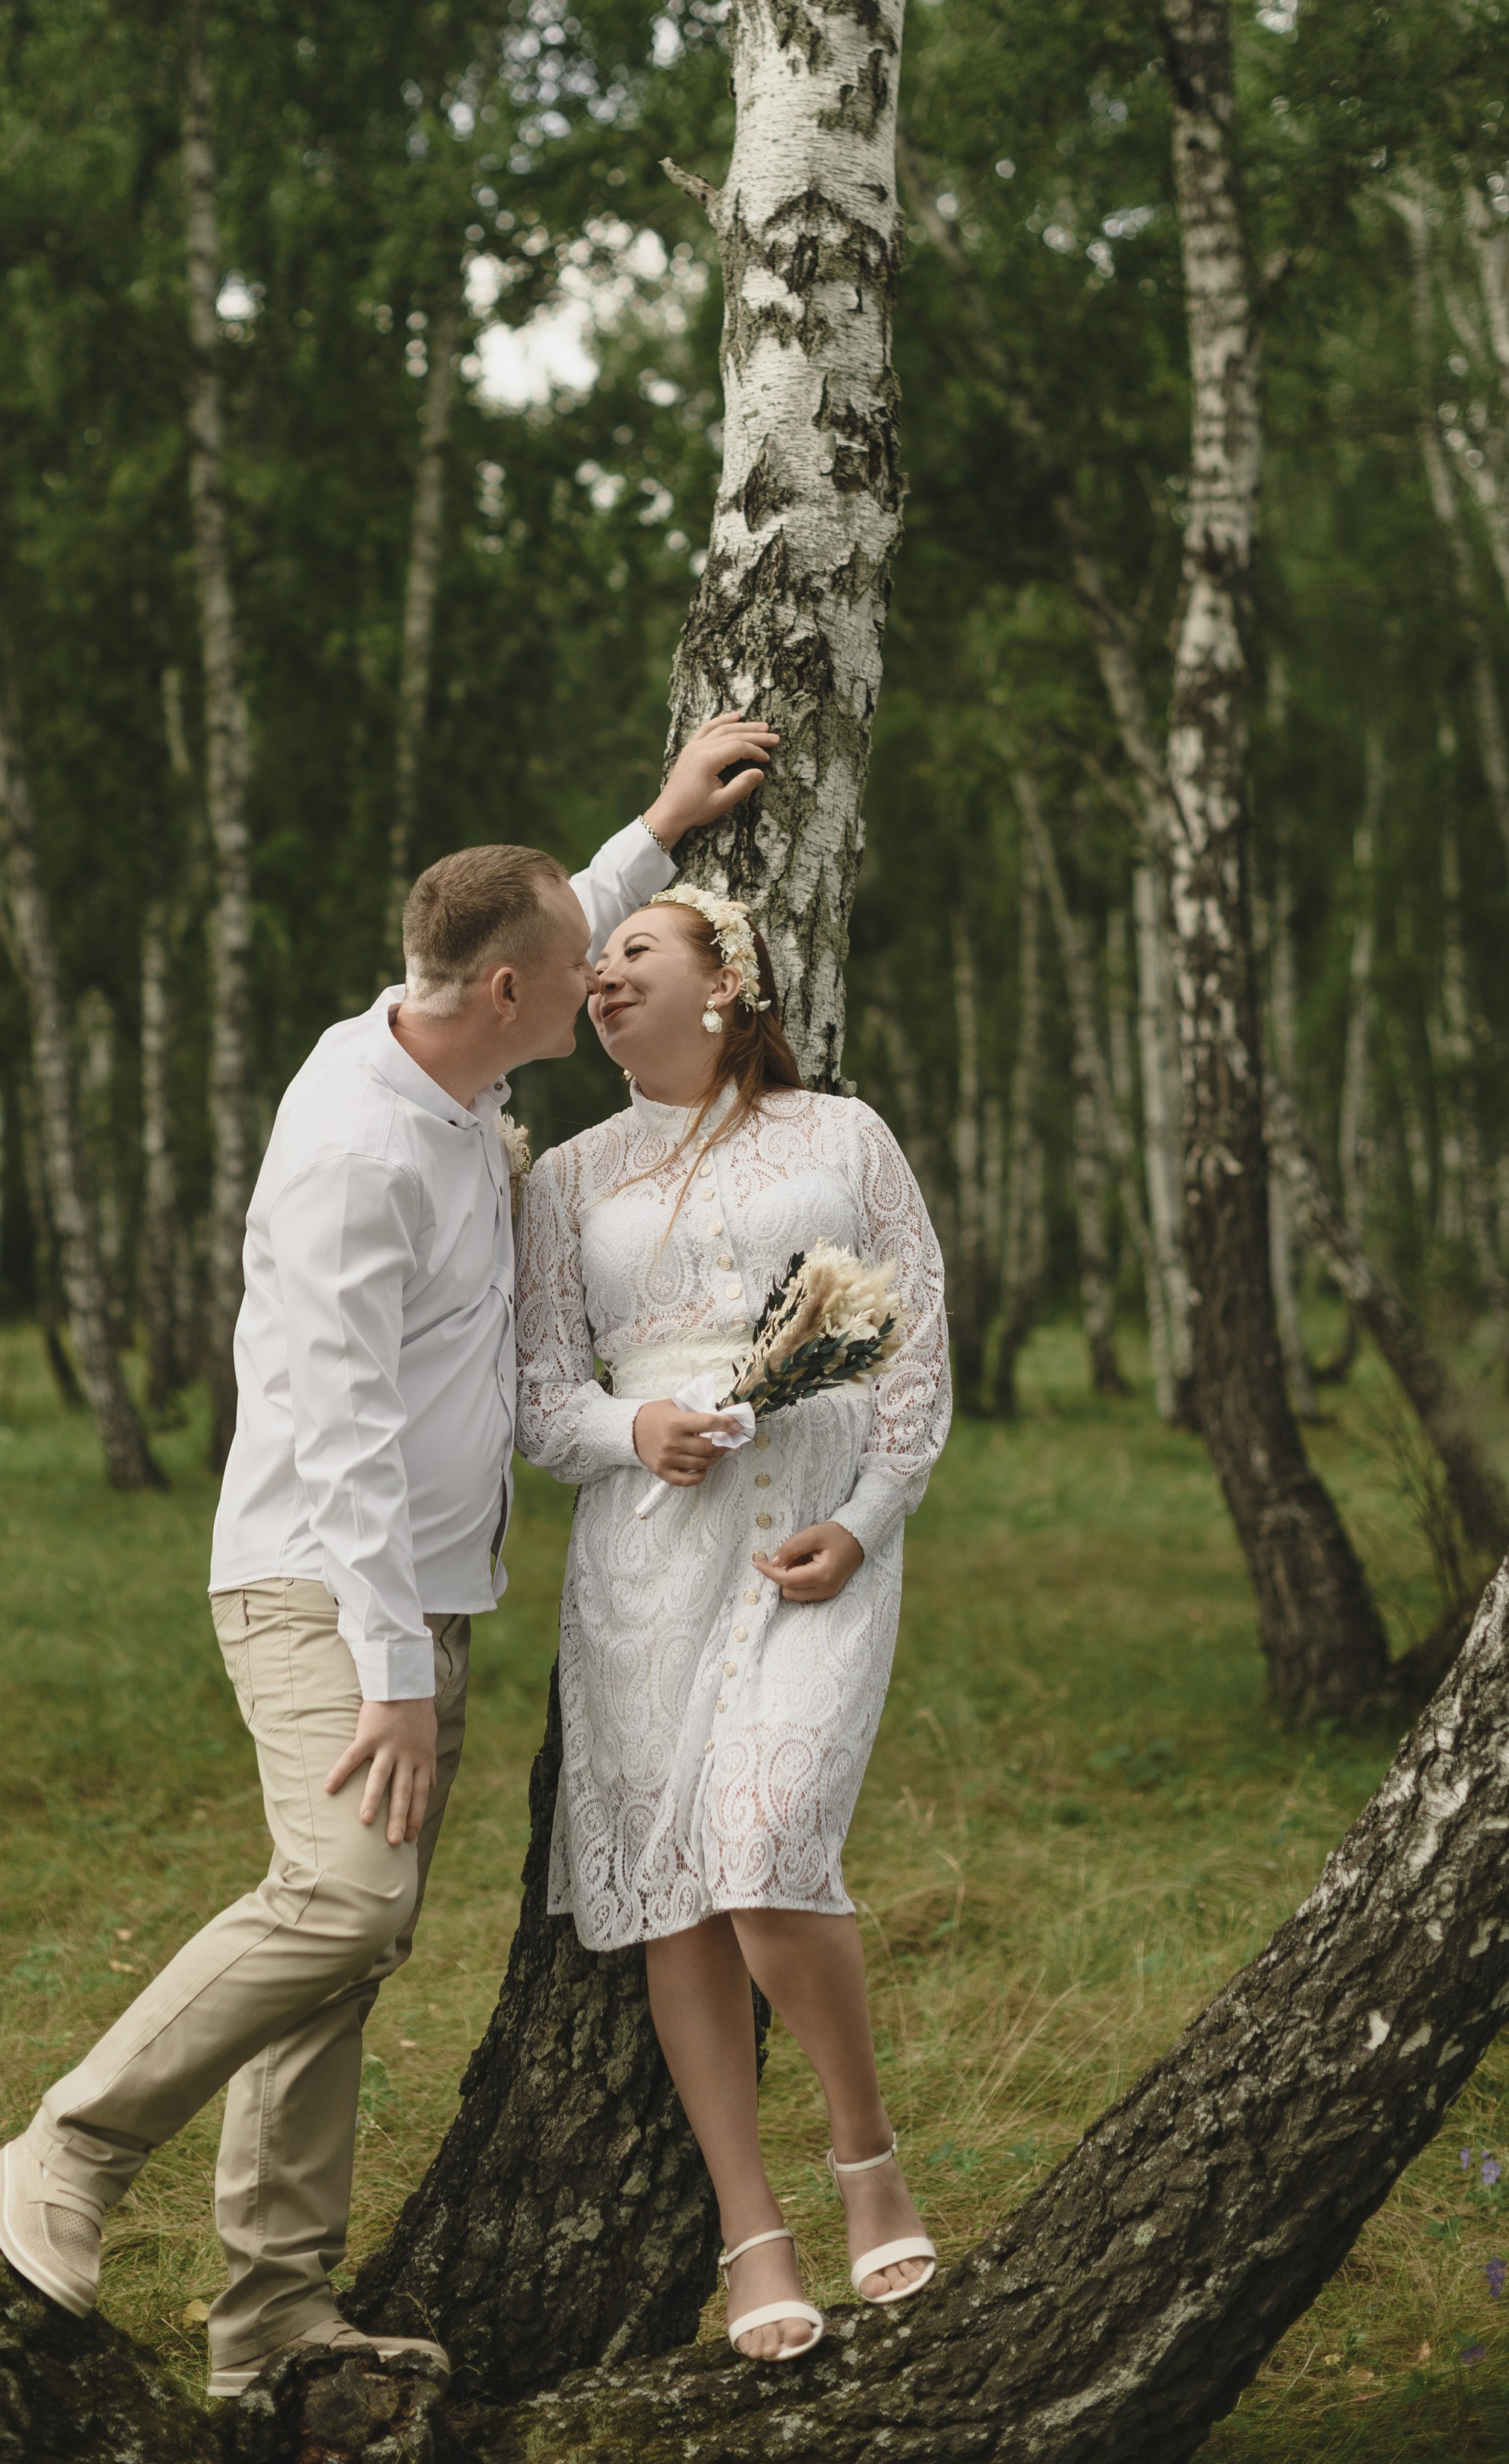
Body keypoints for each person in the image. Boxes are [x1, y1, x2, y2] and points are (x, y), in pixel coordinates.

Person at [0, 714, 777, 2392]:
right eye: (576, 975)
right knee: (341, 1903)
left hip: (420, 1587)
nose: (598, 987)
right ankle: (67, 2147)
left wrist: (653, 826)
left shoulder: (455, 1043)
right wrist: (395, 1676)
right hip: (321, 1583)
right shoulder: (358, 1151)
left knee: (346, 1952)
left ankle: (271, 2315)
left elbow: (550, 917)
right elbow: (341, 1440)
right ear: (504, 993)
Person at [513, 886, 951, 2364]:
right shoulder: (565, 1177)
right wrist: (632, 1427)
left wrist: (868, 1518)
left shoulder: (844, 1136)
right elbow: (540, 1397)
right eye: (593, 963)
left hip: (809, 1539)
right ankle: (750, 2229)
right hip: (646, 1561)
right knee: (676, 1897)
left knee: (761, 1844)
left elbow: (912, 1345)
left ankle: (865, 2154)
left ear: (726, 980)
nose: (601, 975)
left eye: (634, 950)